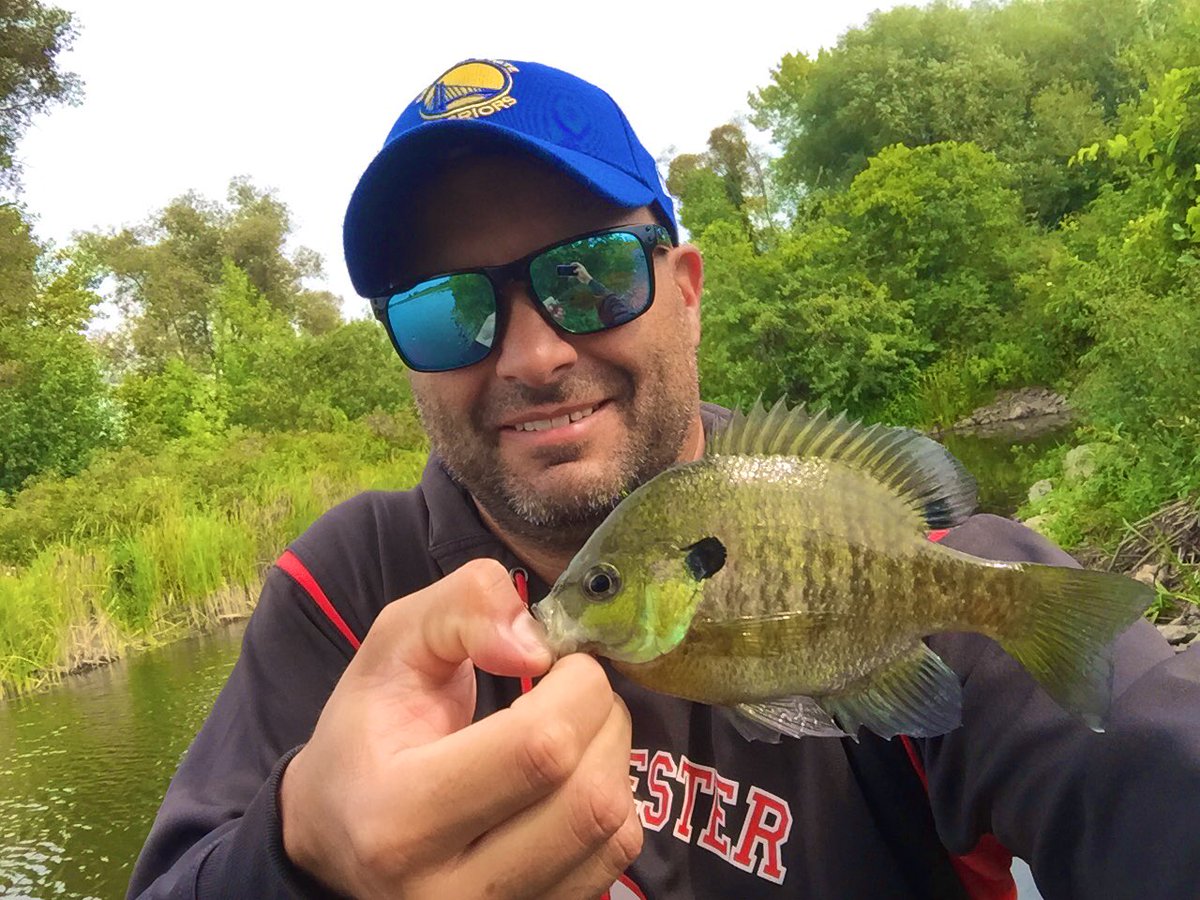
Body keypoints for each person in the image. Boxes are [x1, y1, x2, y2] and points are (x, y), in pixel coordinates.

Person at [128, 58, 1200, 900]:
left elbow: (1155, 765)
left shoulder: (900, 560)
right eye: (448, 308)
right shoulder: (345, 591)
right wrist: (302, 856)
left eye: (587, 273)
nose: (532, 352)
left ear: (683, 290)